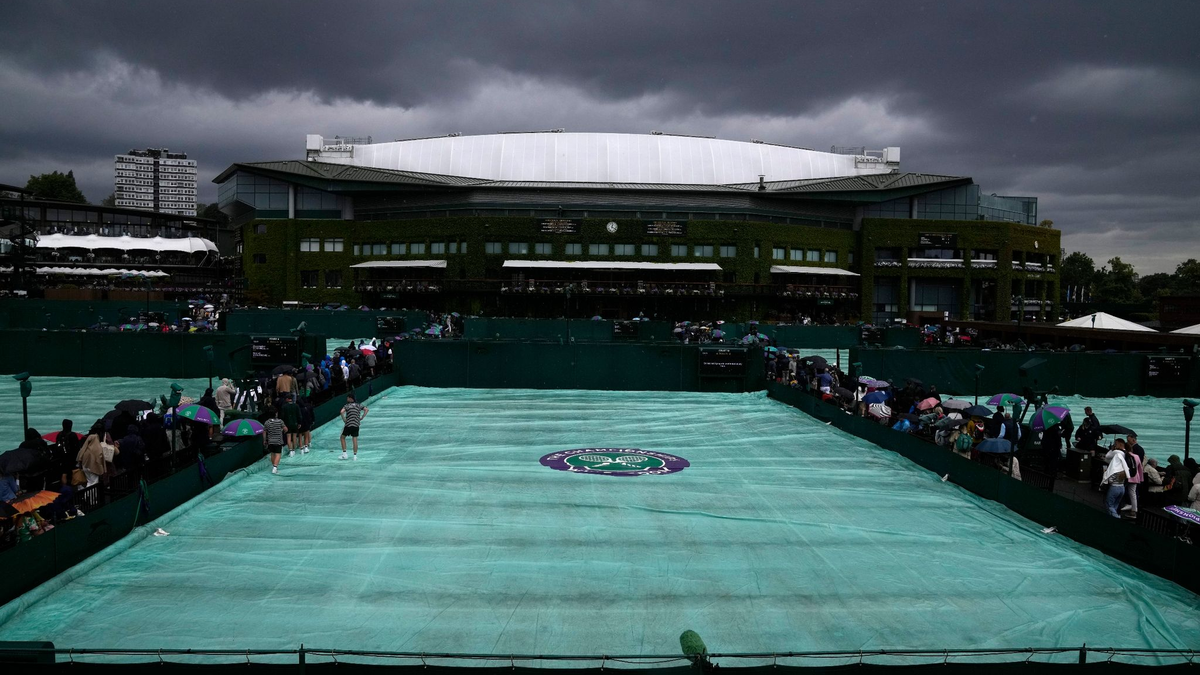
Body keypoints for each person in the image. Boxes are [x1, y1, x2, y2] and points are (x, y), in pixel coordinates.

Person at [1101, 439, 1130, 518]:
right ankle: (1114, 517)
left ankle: (1116, 518)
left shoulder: (1117, 454)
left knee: (1109, 505)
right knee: (1115, 505)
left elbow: (1107, 457)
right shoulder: (1124, 469)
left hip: (1114, 488)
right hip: (1122, 487)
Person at [76, 422, 109, 487]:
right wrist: (102, 469)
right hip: (92, 466)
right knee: (93, 483)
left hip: (85, 464)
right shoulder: (96, 441)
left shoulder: (89, 439)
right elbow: (99, 456)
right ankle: (89, 497)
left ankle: (87, 496)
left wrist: (79, 462)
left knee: (89, 481)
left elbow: (82, 451)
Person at [51, 420, 82, 487]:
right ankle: (73, 487)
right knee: (72, 473)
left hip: (61, 458)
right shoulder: (73, 435)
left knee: (64, 473)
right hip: (71, 458)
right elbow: (77, 447)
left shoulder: (59, 435)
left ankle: (65, 488)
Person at [339, 394, 368, 460]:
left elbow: (341, 412)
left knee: (342, 437)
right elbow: (366, 410)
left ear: (350, 398)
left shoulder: (347, 406)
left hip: (348, 424)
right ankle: (355, 456)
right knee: (355, 439)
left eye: (348, 398)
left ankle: (344, 454)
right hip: (356, 425)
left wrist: (344, 420)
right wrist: (362, 417)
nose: (347, 399)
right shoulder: (359, 405)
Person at [262, 409, 287, 475]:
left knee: (272, 453)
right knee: (278, 454)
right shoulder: (280, 421)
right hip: (278, 441)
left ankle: (274, 466)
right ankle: (275, 467)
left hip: (270, 441)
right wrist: (282, 430)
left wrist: (264, 440)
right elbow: (286, 429)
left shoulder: (267, 422)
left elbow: (264, 432)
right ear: (276, 414)